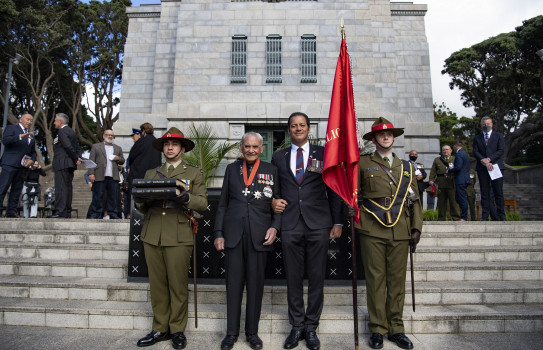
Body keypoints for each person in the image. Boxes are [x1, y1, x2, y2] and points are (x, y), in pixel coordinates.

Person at [271, 112, 343, 350]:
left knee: (316, 277)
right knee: (292, 277)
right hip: (290, 223)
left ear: (309, 129)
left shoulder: (324, 154)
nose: (298, 128)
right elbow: (276, 189)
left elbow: (334, 189)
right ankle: (297, 326)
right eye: (294, 126)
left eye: (302, 125)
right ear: (289, 130)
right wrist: (274, 202)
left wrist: (337, 222)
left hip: (318, 223)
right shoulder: (278, 157)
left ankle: (311, 327)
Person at [134, 127, 207, 350]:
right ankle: (160, 328)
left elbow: (202, 204)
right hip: (153, 232)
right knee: (157, 285)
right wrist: (143, 199)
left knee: (177, 285)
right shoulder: (151, 173)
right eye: (166, 144)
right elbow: (140, 206)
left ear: (182, 149)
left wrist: (186, 197)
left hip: (179, 233)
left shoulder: (194, 173)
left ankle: (176, 329)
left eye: (174, 144)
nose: (170, 147)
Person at [355, 117, 422, 350]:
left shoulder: (407, 166)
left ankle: (396, 328)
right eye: (381, 134)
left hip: (401, 229)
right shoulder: (363, 163)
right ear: (374, 139)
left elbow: (414, 199)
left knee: (397, 282)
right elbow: (353, 195)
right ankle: (377, 328)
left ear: (394, 137)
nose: (386, 137)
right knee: (375, 281)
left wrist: (416, 227)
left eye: (390, 134)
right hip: (372, 227)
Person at [214, 132, 280, 350]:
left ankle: (252, 333)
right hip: (233, 236)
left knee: (255, 287)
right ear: (241, 148)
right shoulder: (232, 170)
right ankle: (231, 333)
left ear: (261, 149)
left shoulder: (271, 170)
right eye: (247, 146)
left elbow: (279, 203)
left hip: (259, 236)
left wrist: (275, 227)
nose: (251, 150)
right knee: (233, 287)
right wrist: (218, 232)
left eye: (255, 147)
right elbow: (222, 203)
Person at [0, 113, 36, 218]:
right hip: (10, 163)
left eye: (31, 120)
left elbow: (33, 152)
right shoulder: (12, 128)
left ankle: (11, 211)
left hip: (22, 167)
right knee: (3, 187)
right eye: (27, 119)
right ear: (21, 120)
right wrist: (20, 136)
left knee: (16, 190)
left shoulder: (31, 135)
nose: (29, 122)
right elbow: (5, 140)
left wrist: (32, 161)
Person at [473, 116, 506, 221]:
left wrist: (490, 159)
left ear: (492, 124)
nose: (485, 126)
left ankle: (501, 215)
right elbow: (475, 151)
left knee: (498, 192)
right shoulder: (477, 138)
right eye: (483, 124)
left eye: (487, 124)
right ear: (481, 125)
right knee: (485, 192)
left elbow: (501, 150)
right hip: (482, 168)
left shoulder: (499, 136)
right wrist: (484, 160)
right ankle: (485, 215)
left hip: (496, 166)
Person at [49, 113, 81, 218]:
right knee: (67, 188)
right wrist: (77, 157)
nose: (54, 123)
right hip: (69, 164)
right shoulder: (71, 131)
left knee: (61, 188)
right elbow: (77, 147)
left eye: (55, 120)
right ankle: (66, 211)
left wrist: (76, 158)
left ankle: (60, 211)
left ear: (60, 121)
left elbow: (68, 146)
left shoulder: (62, 131)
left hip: (62, 163)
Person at [88, 129, 125, 219]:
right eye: (108, 135)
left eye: (112, 135)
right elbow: (91, 161)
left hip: (113, 176)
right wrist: (91, 173)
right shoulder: (96, 147)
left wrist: (117, 158)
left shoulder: (117, 148)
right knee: (98, 196)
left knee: (113, 197)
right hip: (100, 175)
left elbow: (122, 160)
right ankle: (96, 214)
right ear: (104, 136)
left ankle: (113, 214)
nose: (110, 137)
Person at [428, 145, 460, 221]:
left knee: (453, 201)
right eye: (444, 150)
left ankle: (456, 217)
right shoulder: (437, 160)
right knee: (441, 202)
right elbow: (433, 171)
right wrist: (431, 179)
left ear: (451, 151)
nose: (445, 151)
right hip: (441, 183)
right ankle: (441, 218)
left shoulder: (454, 159)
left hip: (451, 182)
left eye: (447, 149)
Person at [447, 140, 471, 221]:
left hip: (461, 179)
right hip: (464, 179)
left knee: (462, 198)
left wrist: (449, 171)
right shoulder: (464, 153)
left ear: (455, 146)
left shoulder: (459, 154)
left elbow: (458, 167)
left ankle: (464, 216)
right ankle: (463, 215)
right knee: (458, 198)